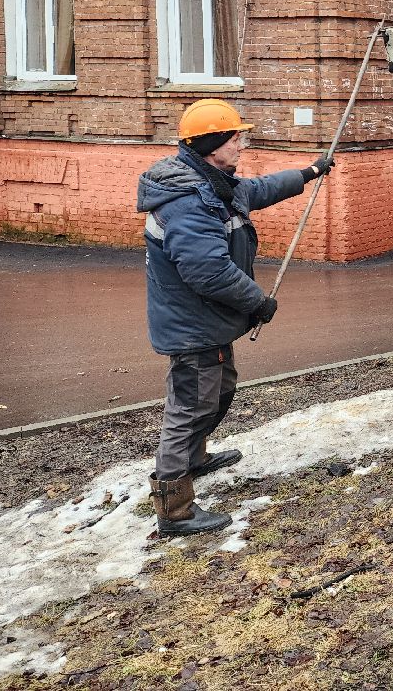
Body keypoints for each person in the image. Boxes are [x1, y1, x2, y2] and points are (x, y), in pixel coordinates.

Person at [137, 99, 333, 537]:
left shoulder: (213, 183)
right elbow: (207, 271)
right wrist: (257, 302)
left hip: (209, 321)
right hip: (194, 326)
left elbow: (257, 190)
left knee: (217, 393)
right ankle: (174, 509)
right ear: (211, 145)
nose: (242, 143)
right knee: (189, 408)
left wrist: (309, 173)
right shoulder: (189, 201)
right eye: (234, 137)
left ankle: (195, 459)